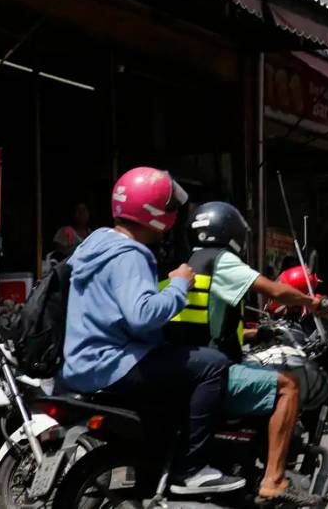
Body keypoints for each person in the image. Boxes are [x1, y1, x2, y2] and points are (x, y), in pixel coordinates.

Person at [61, 167, 244, 495]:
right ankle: (193, 470)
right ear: (153, 212)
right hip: (113, 364)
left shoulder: (94, 245)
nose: (172, 215)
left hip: (83, 364)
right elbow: (143, 315)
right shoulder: (130, 254)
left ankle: (154, 467)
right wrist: (179, 285)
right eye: (168, 207)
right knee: (212, 365)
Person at [166, 201, 328, 504]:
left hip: (188, 366)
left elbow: (206, 323)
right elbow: (274, 290)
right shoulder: (222, 260)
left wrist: (256, 333)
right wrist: (313, 303)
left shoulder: (188, 262)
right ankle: (274, 480)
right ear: (229, 231)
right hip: (213, 372)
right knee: (288, 386)